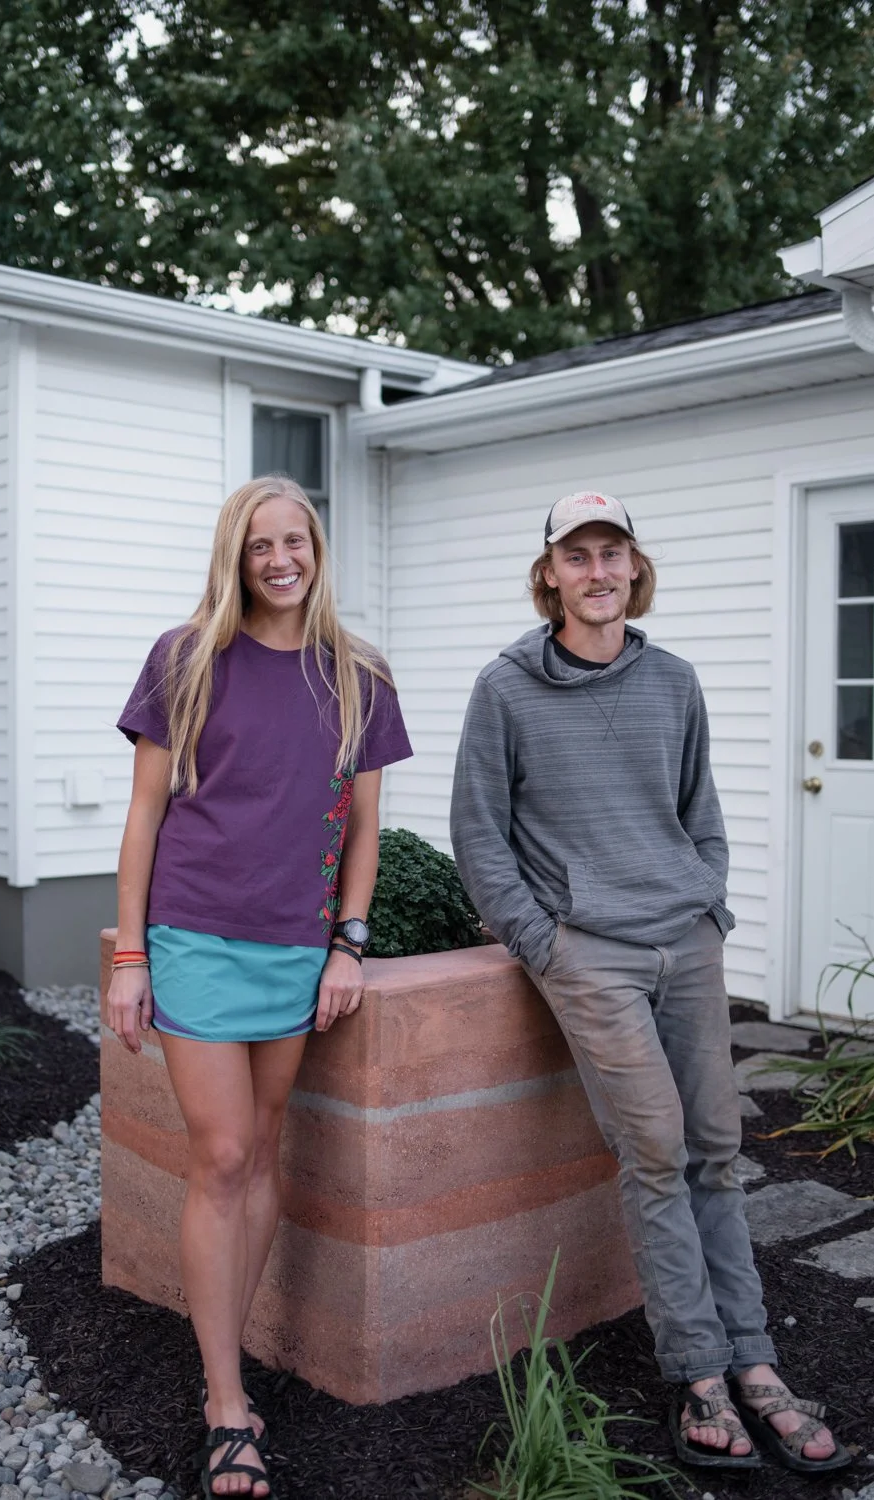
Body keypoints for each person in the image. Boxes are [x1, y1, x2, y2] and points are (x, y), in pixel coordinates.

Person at [449, 490, 850, 1476]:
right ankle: (695, 1374)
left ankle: (754, 1363)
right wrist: (546, 945)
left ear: (633, 567)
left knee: (717, 1147)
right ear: (547, 573)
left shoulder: (671, 681)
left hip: (685, 941)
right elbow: (476, 835)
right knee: (658, 1151)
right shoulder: (505, 689)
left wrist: (704, 901)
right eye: (574, 556)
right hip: (588, 953)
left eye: (611, 553)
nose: (595, 571)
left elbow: (697, 811)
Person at [108, 475, 412, 1498]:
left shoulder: (358, 674)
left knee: (265, 1146)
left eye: (296, 542)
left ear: (317, 551)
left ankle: (221, 1349)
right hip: (193, 933)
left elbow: (365, 830)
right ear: (232, 558)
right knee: (224, 1152)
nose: (280, 561)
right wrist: (128, 958)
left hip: (295, 945)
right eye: (258, 546)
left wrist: (348, 946)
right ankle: (227, 1401)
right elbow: (145, 817)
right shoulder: (186, 658)